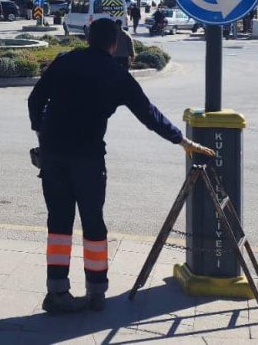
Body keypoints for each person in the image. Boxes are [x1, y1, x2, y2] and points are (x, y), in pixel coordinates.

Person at [28, 18, 213, 314]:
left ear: (89, 38)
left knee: (59, 224)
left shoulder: (65, 61)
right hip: (87, 160)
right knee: (93, 223)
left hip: (53, 156)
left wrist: (41, 130)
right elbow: (148, 113)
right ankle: (96, 293)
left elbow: (35, 98)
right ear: (114, 45)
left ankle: (57, 293)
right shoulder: (116, 74)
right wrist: (181, 141)